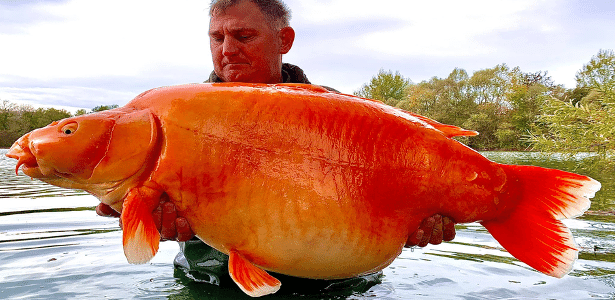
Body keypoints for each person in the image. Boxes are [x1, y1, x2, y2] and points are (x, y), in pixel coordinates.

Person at [97, 0, 456, 292]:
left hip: (335, 288)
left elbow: (390, 207)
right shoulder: (172, 117)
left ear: (283, 40)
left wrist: (415, 225)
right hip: (209, 283)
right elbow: (137, 211)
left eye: (244, 36)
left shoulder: (346, 118)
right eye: (217, 37)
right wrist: (140, 213)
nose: (228, 49)